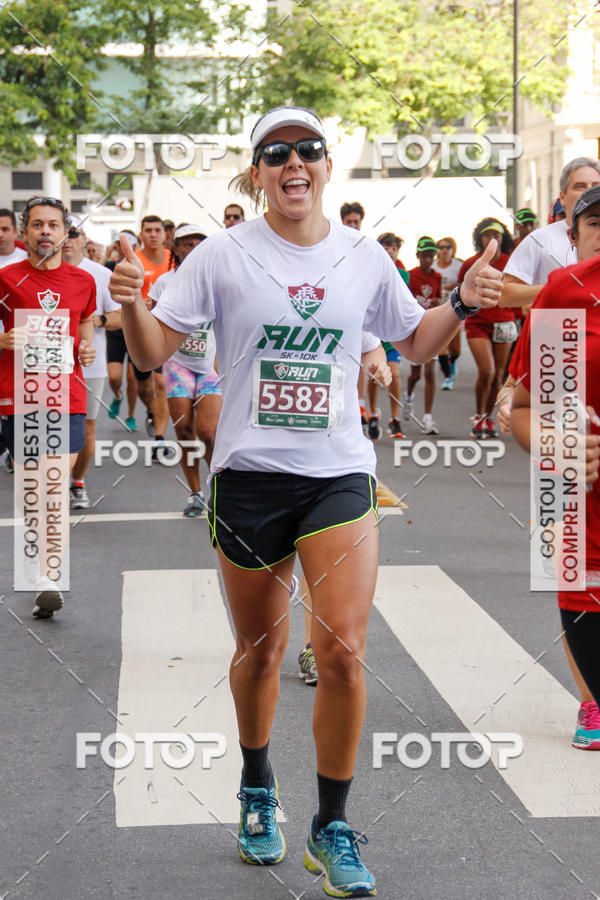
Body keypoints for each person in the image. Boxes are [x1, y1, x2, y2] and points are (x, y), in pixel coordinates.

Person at [109, 105, 501, 897]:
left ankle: (333, 825)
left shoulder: (362, 256)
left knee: (345, 650)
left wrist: (458, 302)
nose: (294, 163)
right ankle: (258, 786)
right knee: (259, 651)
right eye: (275, 153)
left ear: (327, 167)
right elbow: (154, 351)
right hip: (250, 476)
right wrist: (129, 301)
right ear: (257, 174)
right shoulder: (221, 255)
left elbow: (412, 340)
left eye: (309, 151)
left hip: (338, 473)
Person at [510, 184, 600, 749]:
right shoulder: (565, 292)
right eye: (595, 225)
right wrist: (556, 446)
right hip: (571, 482)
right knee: (578, 595)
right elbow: (521, 409)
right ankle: (592, 702)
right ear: (572, 238)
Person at [0, 197, 96, 618]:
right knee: (34, 488)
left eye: (53, 225)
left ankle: (46, 577)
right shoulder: (6, 279)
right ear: (25, 232)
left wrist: (88, 347)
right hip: (18, 397)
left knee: (53, 486)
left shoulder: (82, 281)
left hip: (67, 396)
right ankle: (45, 573)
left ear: (64, 233)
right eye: (37, 225)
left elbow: (86, 320)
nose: (45, 232)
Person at [149, 225, 222, 516]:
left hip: (211, 365)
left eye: (198, 244)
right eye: (186, 244)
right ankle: (195, 493)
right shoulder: (165, 283)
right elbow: (154, 326)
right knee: (184, 430)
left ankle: (220, 487)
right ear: (176, 248)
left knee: (209, 432)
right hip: (177, 365)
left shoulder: (219, 281)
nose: (192, 249)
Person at [61, 215, 121, 508]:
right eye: (65, 232)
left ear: (84, 239)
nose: (69, 239)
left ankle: (77, 482)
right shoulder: (38, 272)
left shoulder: (99, 274)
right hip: (45, 366)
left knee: (85, 428)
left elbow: (122, 316)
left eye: (75, 233)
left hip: (89, 365)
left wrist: (99, 318)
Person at [457, 219, 515, 439]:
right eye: (486, 234)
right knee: (487, 371)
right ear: (479, 238)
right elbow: (460, 296)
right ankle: (478, 414)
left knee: (499, 375)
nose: (492, 238)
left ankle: (486, 418)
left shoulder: (512, 262)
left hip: (504, 322)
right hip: (477, 323)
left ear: (503, 237)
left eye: (497, 234)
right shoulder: (470, 264)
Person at [135, 215, 171, 452]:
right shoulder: (134, 260)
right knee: (142, 387)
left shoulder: (173, 260)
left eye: (157, 230)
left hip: (164, 329)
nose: (153, 235)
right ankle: (150, 409)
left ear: (165, 234)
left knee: (160, 382)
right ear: (141, 234)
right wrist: (140, 304)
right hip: (138, 329)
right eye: (148, 230)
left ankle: (159, 439)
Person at [368, 234, 407, 439]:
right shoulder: (369, 272)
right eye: (386, 247)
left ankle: (395, 418)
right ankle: (373, 413)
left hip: (392, 335)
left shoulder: (403, 275)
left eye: (394, 248)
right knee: (375, 375)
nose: (390, 251)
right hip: (374, 332)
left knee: (395, 374)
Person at [404, 236, 443, 435]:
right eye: (424, 255)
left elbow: (438, 298)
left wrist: (438, 301)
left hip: (431, 326)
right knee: (415, 374)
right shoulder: (411, 276)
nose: (427, 259)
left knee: (430, 372)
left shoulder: (436, 277)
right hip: (414, 328)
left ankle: (427, 417)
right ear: (418, 256)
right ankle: (408, 395)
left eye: (430, 256)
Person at [433, 236, 463, 390]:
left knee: (456, 349)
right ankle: (448, 378)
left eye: (448, 247)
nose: (444, 250)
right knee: (442, 346)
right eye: (441, 247)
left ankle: (451, 363)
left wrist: (456, 284)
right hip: (437, 312)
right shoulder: (433, 267)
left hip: (455, 310)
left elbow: (468, 283)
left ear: (453, 250)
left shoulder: (458, 266)